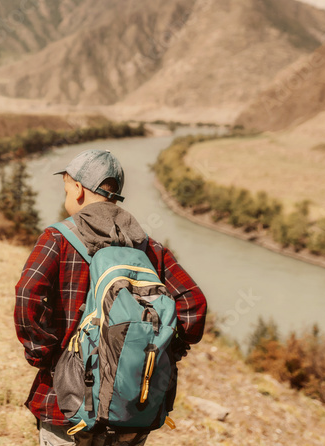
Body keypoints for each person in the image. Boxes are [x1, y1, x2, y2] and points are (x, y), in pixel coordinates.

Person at [14, 149, 207, 446]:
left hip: (67, 404)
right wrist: (161, 350)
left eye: (66, 188)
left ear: (77, 189)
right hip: (132, 405)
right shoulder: (150, 249)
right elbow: (194, 304)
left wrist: (47, 356)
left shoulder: (57, 238)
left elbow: (28, 293)